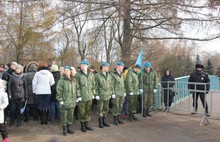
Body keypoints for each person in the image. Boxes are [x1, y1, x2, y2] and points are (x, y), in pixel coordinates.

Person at [56, 66, 78, 136]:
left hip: (72, 102)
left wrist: (77, 97)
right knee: (64, 116)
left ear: (70, 71)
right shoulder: (61, 81)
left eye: (67, 70)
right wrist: (60, 99)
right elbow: (58, 91)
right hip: (64, 102)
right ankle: (64, 129)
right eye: (65, 70)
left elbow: (76, 89)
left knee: (70, 116)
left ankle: (69, 128)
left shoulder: (74, 79)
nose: (66, 72)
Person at [76, 60, 95, 132]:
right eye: (81, 65)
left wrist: (93, 93)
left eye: (83, 65)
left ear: (87, 66)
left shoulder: (91, 74)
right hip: (82, 97)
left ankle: (87, 124)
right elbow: (76, 86)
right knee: (82, 112)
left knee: (88, 111)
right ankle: (82, 125)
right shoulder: (78, 75)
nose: (82, 66)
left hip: (89, 96)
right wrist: (78, 96)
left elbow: (93, 85)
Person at [95, 62, 112, 128]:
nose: (108, 68)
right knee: (100, 109)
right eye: (107, 67)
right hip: (101, 95)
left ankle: (104, 121)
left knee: (106, 108)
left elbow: (110, 85)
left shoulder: (109, 75)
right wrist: (96, 94)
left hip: (107, 95)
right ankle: (100, 122)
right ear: (103, 67)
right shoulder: (97, 75)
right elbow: (95, 86)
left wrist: (110, 93)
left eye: (108, 67)